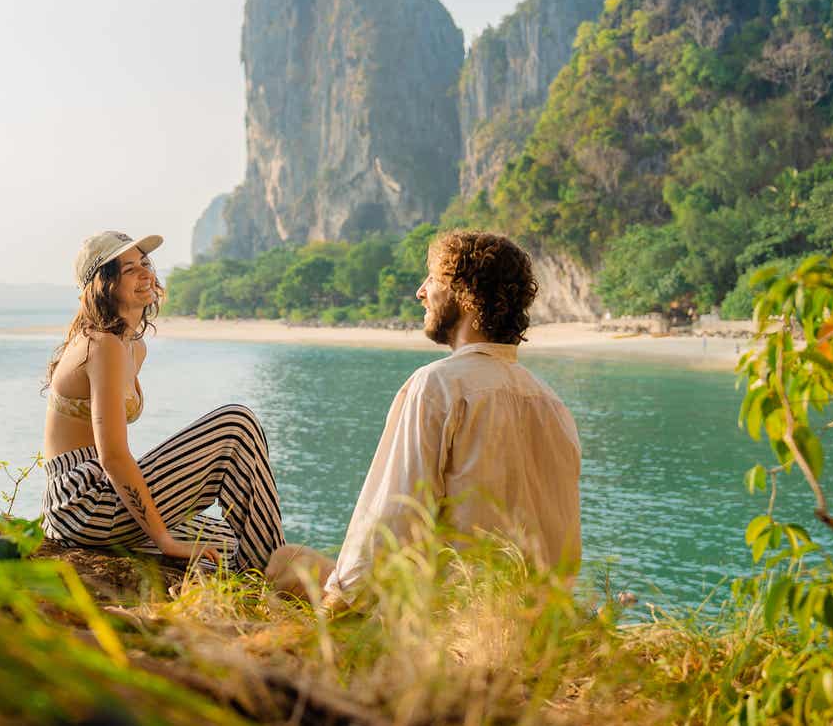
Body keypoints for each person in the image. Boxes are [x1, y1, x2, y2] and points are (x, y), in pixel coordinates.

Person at [266, 230, 582, 606]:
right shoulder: (553, 404)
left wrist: (338, 610)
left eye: (432, 278)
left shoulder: (437, 386)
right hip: (538, 622)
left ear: (464, 292)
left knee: (286, 562)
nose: (420, 291)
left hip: (447, 620)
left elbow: (389, 522)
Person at [41, 231, 286, 572]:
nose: (145, 273)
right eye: (129, 269)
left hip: (98, 500)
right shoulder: (102, 345)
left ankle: (273, 569)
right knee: (235, 425)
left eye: (145, 264)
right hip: (82, 502)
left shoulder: (131, 347)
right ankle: (281, 573)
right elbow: (112, 455)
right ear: (104, 284)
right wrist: (164, 540)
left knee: (232, 543)